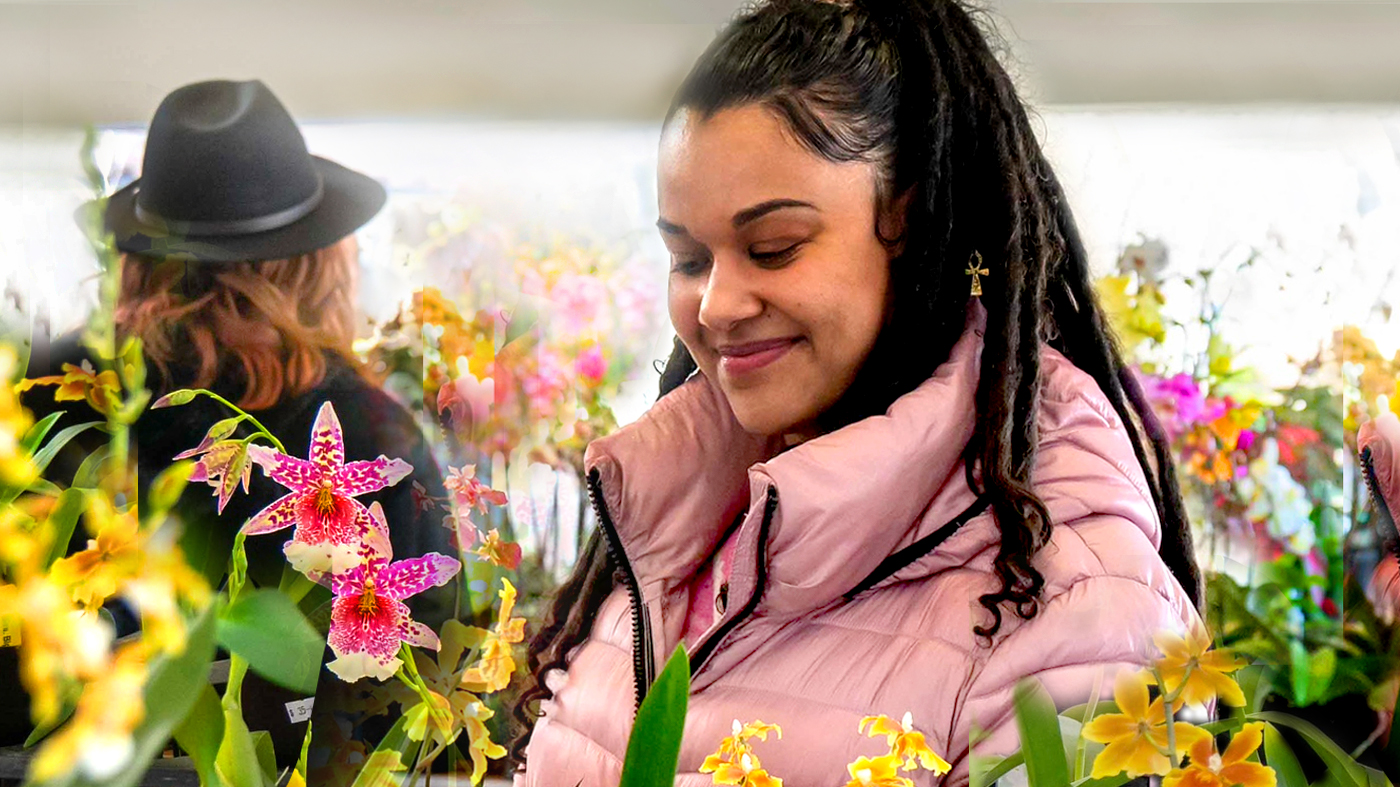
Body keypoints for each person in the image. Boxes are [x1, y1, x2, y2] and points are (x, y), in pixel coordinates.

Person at [510, 1, 1203, 784]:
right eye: (689, 258)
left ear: (916, 225)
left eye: (772, 249)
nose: (716, 305)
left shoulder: (1074, 605)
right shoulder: (670, 525)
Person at [8, 79, 451, 765]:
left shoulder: (42, 392)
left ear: (137, 248)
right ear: (323, 254)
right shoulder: (372, 429)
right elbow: (419, 694)